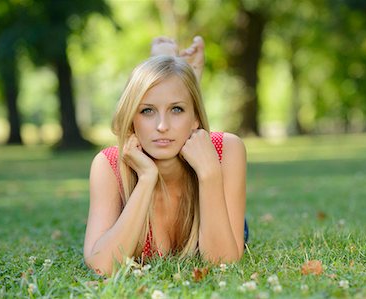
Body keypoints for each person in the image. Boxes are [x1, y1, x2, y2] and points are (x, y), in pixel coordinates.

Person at [83, 37, 247, 276]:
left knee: (175, 89)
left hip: (220, 213)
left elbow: (223, 261)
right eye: (147, 111)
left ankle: (176, 73)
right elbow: (102, 266)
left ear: (196, 118)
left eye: (176, 109)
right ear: (131, 118)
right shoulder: (108, 165)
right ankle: (172, 70)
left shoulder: (226, 150)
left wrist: (210, 174)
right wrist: (147, 177)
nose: (162, 126)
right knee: (171, 88)